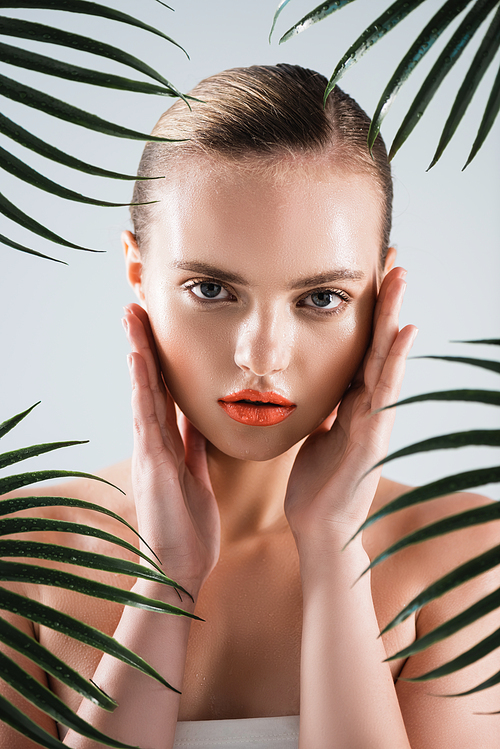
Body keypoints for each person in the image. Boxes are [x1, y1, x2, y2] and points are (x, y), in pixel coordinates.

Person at [1, 64, 498, 749]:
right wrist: (166, 579)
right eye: (212, 289)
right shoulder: (23, 558)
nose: (261, 355)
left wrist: (335, 552)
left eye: (320, 297)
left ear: (381, 297)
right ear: (138, 273)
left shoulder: (469, 559)